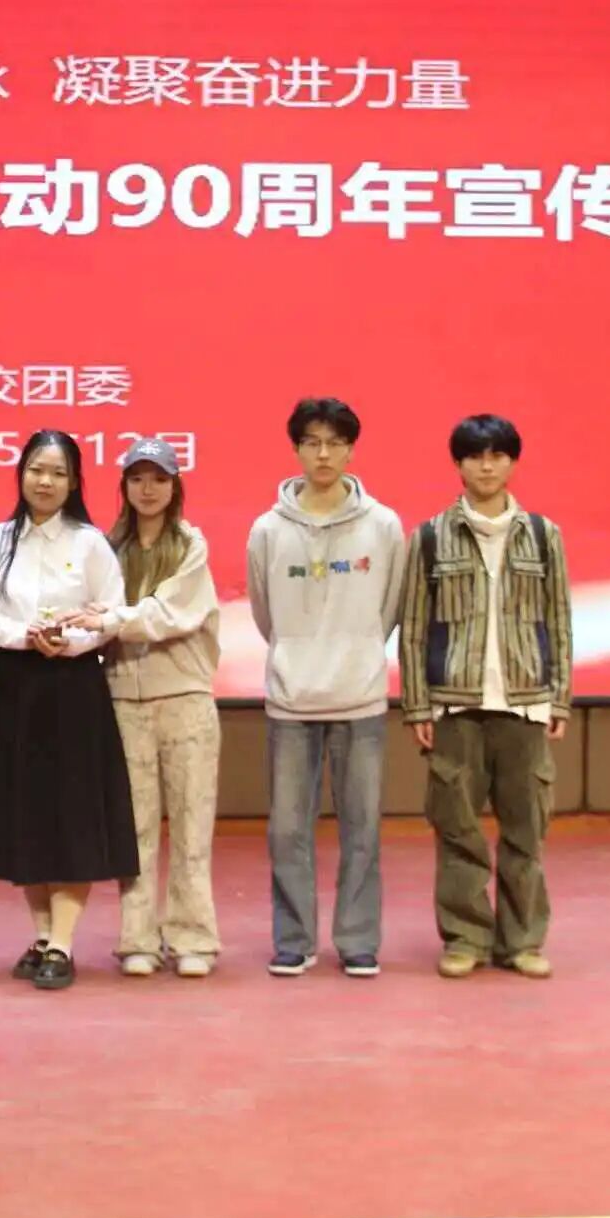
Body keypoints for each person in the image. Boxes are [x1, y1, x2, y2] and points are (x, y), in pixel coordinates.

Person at [401, 414, 574, 980]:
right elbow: (414, 627)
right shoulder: (430, 537)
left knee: (526, 832)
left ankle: (521, 941)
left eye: (497, 455)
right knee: (457, 829)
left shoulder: (543, 536)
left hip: (525, 705)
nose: (486, 466)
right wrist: (418, 705)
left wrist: (560, 699)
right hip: (456, 707)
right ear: (459, 463)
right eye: (475, 455)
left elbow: (559, 621)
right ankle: (465, 938)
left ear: (512, 462)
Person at [0, 430, 140, 991]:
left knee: (71, 815)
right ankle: (42, 935)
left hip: (74, 689)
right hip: (16, 686)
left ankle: (63, 942)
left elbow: (111, 613)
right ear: (21, 474)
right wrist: (25, 636)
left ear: (74, 483)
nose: (45, 482)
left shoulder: (90, 543)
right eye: (37, 470)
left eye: (58, 473)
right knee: (27, 815)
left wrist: (70, 642)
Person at [246, 397, 407, 978]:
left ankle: (358, 940)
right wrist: (296, 653)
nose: (323, 454)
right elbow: (265, 613)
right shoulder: (268, 530)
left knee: (362, 826)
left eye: (335, 443)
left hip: (359, 697)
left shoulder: (383, 526)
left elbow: (390, 607)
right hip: (291, 699)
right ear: (296, 449)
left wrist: (358, 651)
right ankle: (294, 940)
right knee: (288, 829)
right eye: (312, 442)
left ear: (350, 450)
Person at [79, 437, 222, 978]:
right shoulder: (106, 547)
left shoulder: (190, 544)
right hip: (123, 698)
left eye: (159, 478)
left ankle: (193, 938)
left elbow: (171, 614)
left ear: (174, 485)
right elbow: (89, 612)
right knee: (133, 827)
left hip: (185, 697)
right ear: (124, 486)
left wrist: (111, 620)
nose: (148, 489)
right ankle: (137, 937)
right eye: (137, 478)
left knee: (191, 824)